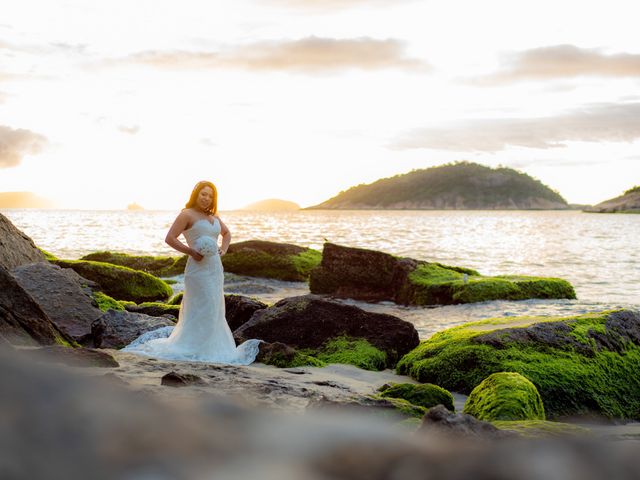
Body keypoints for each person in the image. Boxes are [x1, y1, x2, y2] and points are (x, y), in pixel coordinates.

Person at [122, 181, 262, 365]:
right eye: (203, 194)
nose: (206, 198)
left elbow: (227, 234)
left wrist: (224, 249)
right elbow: (170, 238)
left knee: (215, 308)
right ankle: (193, 346)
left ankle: (211, 346)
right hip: (198, 269)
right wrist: (191, 252)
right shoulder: (186, 214)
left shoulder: (214, 216)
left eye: (210, 196)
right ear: (195, 194)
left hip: (215, 267)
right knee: (201, 306)